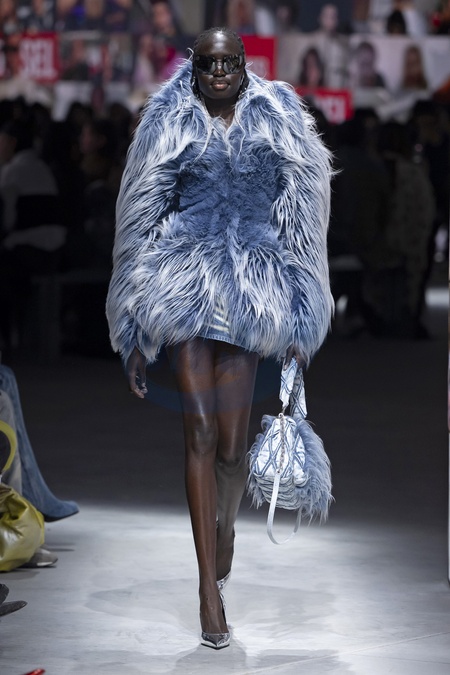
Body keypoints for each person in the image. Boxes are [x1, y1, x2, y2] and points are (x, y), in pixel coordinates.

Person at [106, 26, 333, 649]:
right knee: (201, 434)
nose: (220, 72)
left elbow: (304, 212)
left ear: (244, 63)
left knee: (232, 451)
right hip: (186, 285)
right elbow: (139, 216)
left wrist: (303, 308)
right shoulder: (166, 120)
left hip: (252, 290)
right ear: (194, 67)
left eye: (230, 61)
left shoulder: (280, 115)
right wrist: (131, 326)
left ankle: (225, 530)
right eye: (209, 63)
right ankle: (208, 589)